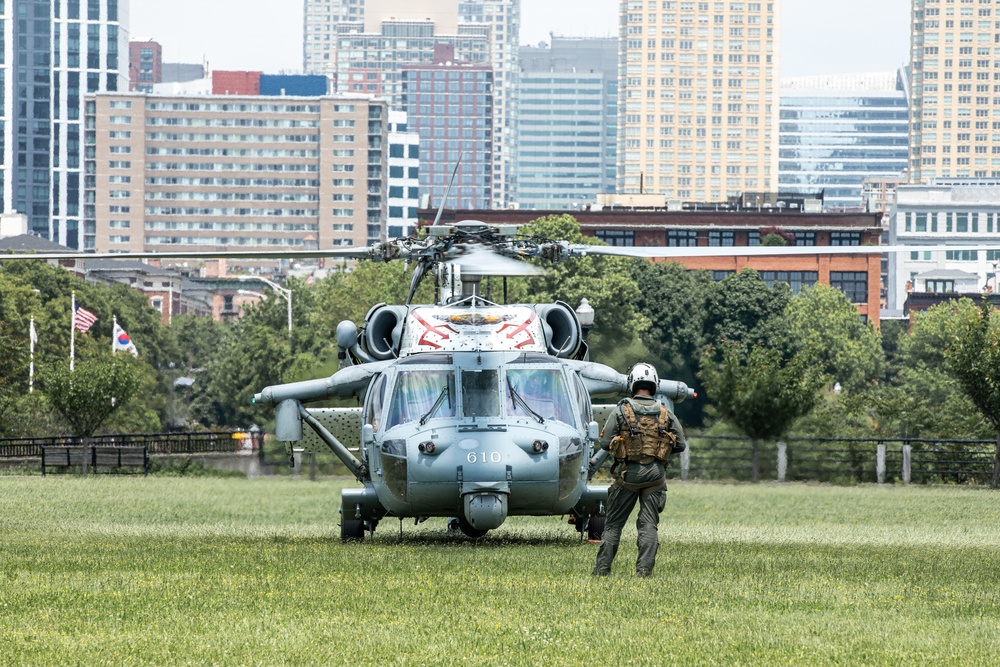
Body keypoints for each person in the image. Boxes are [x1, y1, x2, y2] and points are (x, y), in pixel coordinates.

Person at [591, 363, 687, 577]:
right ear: (655, 385)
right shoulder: (665, 412)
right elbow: (680, 444)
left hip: (629, 475)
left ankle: (602, 570)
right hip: (655, 476)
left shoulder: (621, 409)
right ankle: (644, 572)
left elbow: (606, 444)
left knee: (614, 525)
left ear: (632, 384)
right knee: (648, 525)